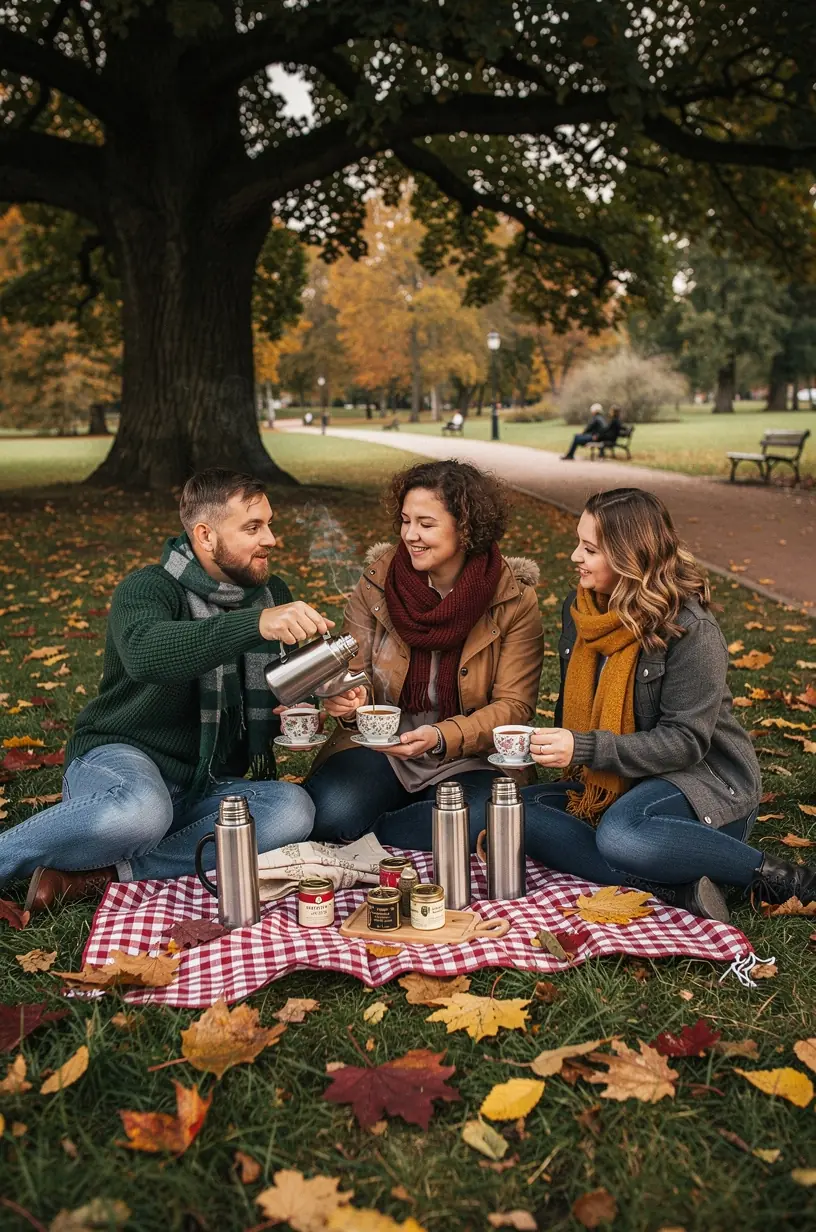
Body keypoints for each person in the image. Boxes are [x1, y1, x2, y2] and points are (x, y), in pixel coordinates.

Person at [2, 469, 336, 914]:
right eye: (253, 528)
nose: (271, 539)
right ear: (205, 535)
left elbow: (282, 688)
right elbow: (146, 654)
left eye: (269, 524)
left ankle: (97, 878)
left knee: (293, 809)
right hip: (121, 759)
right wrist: (252, 625)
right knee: (142, 812)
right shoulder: (149, 587)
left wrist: (323, 695)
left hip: (203, 782)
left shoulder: (270, 593)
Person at [521, 487, 816, 921]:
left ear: (628, 557)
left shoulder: (690, 628)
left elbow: (686, 742)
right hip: (622, 782)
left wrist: (584, 748)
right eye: (577, 543)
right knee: (518, 810)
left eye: (589, 548)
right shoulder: (580, 611)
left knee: (621, 836)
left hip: (705, 785)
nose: (573, 557)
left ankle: (780, 878)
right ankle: (671, 890)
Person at [305, 460, 544, 848]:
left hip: (470, 755)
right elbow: (352, 673)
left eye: (426, 524)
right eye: (405, 521)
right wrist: (348, 699)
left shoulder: (512, 598)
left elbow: (514, 706)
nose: (410, 535)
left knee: (472, 823)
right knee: (330, 814)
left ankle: (380, 833)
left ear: (465, 528)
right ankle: (399, 820)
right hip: (385, 748)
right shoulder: (377, 583)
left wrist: (439, 736)